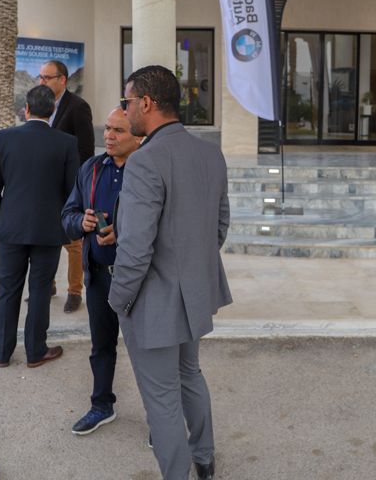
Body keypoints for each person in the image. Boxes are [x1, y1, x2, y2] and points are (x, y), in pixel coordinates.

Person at [109, 65, 232, 480]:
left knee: (162, 399)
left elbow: (135, 249)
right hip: (193, 294)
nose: (124, 111)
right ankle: (204, 458)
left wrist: (118, 299)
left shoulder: (145, 161)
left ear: (146, 103)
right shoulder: (210, 154)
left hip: (154, 302)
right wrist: (190, 268)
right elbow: (219, 227)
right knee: (189, 375)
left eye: (127, 102)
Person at [0, 85, 80, 368]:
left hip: (10, 229)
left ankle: (2, 351)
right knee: (40, 290)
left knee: (8, 290)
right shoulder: (66, 143)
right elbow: (72, 191)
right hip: (49, 230)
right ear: (53, 110)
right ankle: (36, 351)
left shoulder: (3, 138)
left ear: (26, 109)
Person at [61, 107, 141, 435]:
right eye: (107, 128)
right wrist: (81, 222)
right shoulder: (91, 168)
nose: (108, 135)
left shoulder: (149, 171)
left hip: (139, 279)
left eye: (118, 130)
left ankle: (160, 418)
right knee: (102, 347)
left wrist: (122, 233)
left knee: (147, 351)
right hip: (99, 276)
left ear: (138, 136)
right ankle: (101, 405)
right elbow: (68, 214)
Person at [38, 59, 94, 314]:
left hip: (69, 189)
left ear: (62, 80)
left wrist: (76, 188)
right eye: (40, 77)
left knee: (73, 243)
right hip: (45, 188)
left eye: (47, 77)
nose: (42, 82)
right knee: (46, 238)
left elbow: (86, 152)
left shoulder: (78, 107)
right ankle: (48, 286)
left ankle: (74, 292)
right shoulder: (41, 106)